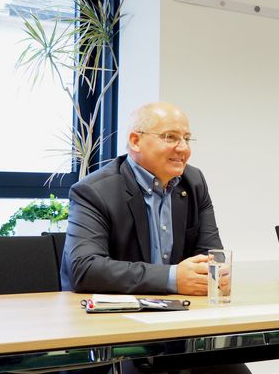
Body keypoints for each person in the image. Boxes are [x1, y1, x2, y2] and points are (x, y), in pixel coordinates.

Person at [61, 101, 250, 374]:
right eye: (170, 137)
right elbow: (85, 268)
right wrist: (173, 277)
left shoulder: (193, 183)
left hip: (177, 326)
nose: (183, 148)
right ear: (136, 141)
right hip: (111, 333)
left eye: (186, 138)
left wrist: (215, 275)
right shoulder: (94, 191)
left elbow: (212, 257)